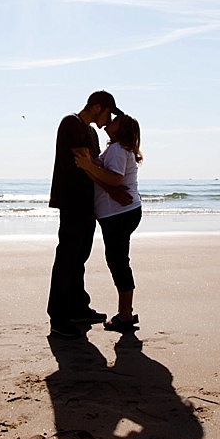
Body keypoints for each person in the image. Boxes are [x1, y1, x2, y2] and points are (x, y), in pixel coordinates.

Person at [47, 90, 130, 337]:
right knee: (67, 257)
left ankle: (78, 307)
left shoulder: (92, 132)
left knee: (80, 256)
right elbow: (86, 165)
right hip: (72, 200)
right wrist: (112, 191)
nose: (108, 118)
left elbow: (94, 167)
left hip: (87, 202)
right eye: (108, 112)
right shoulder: (71, 123)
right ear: (97, 107)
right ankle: (58, 317)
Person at [75, 112, 143, 331]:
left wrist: (87, 165)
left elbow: (115, 178)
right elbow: (104, 177)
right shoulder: (116, 149)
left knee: (118, 261)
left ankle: (125, 315)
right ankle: (126, 313)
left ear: (121, 129)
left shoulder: (117, 149)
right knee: (117, 260)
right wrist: (88, 165)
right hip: (121, 212)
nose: (110, 121)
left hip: (119, 214)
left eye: (115, 121)